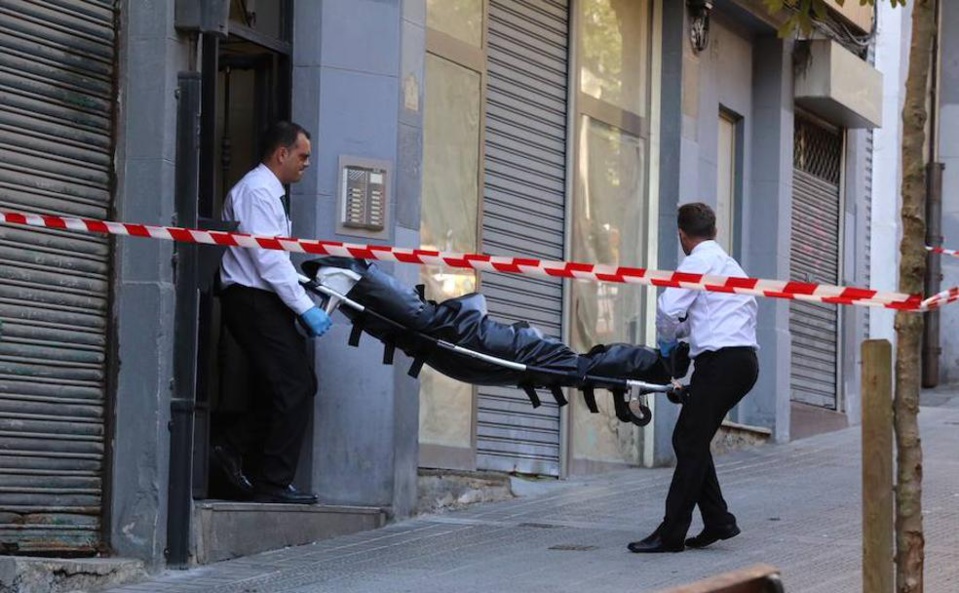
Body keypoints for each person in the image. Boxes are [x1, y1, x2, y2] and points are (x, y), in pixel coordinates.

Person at [628, 202, 759, 553]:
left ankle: (671, 533)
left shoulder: (697, 262)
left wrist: (668, 341)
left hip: (722, 363)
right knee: (693, 440)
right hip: (742, 361)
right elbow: (709, 314)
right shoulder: (731, 265)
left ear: (682, 236)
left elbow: (669, 309)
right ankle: (718, 521)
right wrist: (686, 331)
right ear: (715, 231)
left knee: (687, 440)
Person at [212, 121, 332, 504]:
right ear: (281, 153)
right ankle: (270, 480)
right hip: (251, 300)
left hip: (263, 299)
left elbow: (276, 259)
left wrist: (303, 293)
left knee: (294, 386)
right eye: (303, 156)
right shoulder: (255, 192)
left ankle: (232, 449)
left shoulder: (270, 192)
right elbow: (268, 261)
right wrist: (304, 308)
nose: (306, 164)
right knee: (294, 385)